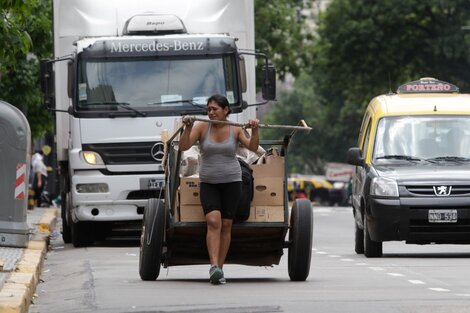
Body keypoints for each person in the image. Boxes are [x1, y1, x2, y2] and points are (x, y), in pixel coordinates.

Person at [179, 94, 259, 285]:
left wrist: (255, 130)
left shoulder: (236, 129)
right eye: (208, 109)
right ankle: (213, 265)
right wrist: (187, 126)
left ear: (226, 111)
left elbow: (254, 147)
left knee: (226, 225)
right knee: (213, 221)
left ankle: (220, 270)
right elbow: (184, 145)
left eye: (215, 109)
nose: (211, 112)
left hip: (232, 182)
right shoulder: (200, 127)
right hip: (209, 183)